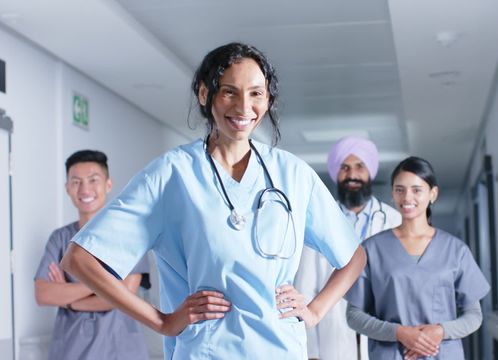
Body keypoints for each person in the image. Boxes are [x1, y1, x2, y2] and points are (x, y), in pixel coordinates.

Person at [60, 42, 366, 360]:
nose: (244, 106)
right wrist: (162, 321)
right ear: (206, 95)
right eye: (229, 92)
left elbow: (353, 256)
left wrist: (315, 311)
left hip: (281, 350)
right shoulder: (171, 175)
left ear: (268, 99)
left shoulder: (292, 173)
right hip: (206, 352)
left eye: (256, 93)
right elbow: (79, 259)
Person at [345, 156, 490, 360]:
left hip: (442, 354)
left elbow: (474, 315)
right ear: (393, 194)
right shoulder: (372, 249)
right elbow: (354, 316)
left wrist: (439, 331)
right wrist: (400, 333)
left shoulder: (456, 250)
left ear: (433, 194)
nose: (407, 197)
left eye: (416, 189)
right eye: (400, 189)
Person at [34, 150, 150, 360]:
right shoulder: (60, 239)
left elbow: (123, 297)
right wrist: (106, 284)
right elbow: (44, 294)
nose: (85, 189)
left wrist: (67, 298)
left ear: (108, 184)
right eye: (76, 181)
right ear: (67, 188)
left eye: (93, 180)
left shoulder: (130, 235)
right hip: (71, 348)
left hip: (120, 349)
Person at [294, 135, 401, 360]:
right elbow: (306, 286)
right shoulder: (318, 219)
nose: (352, 175)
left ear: (370, 171)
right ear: (336, 172)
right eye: (344, 167)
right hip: (332, 329)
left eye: (359, 166)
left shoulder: (394, 221)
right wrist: (311, 351)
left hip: (383, 328)